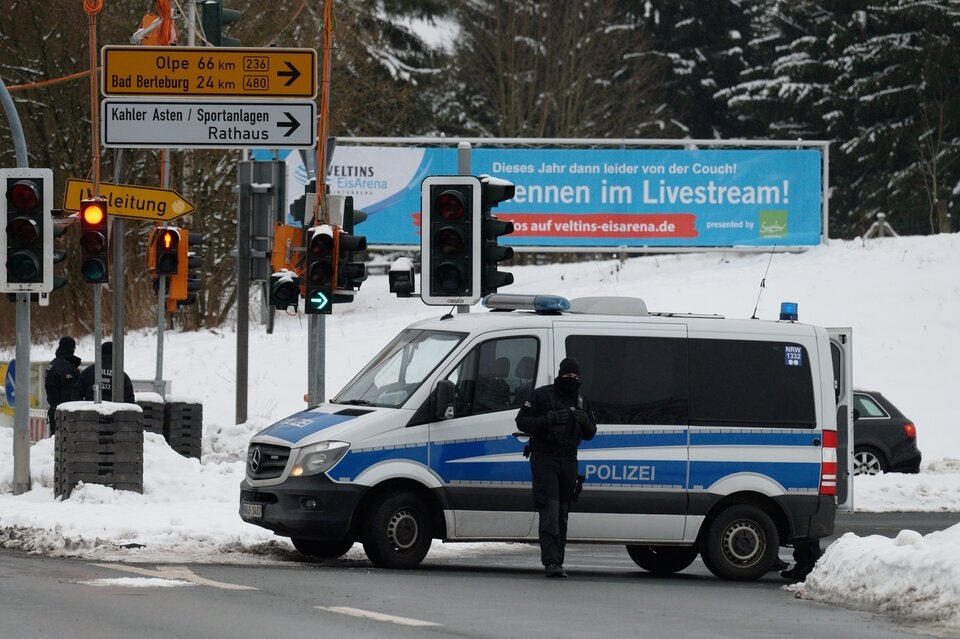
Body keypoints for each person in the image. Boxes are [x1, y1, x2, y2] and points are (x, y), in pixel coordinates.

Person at [516, 357, 597, 578]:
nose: (571, 380)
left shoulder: (581, 400)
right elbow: (522, 421)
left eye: (574, 376)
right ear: (560, 374)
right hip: (545, 459)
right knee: (550, 510)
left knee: (562, 512)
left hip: (569, 459)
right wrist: (548, 419)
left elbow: (591, 433)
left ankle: (558, 561)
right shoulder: (542, 395)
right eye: (567, 375)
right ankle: (551, 562)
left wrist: (584, 422)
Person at [44, 336, 82, 435]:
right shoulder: (64, 367)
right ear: (71, 349)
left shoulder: (53, 364)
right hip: (64, 415)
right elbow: (70, 393)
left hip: (55, 411)